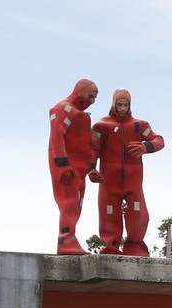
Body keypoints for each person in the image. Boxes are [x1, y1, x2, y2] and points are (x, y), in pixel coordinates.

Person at [90, 89, 164, 257]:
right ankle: (110, 247)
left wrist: (145, 147)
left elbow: (159, 140)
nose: (123, 108)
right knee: (109, 214)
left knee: (139, 215)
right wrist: (92, 168)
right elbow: (92, 148)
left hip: (133, 182)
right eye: (120, 104)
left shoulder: (139, 126)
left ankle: (135, 246)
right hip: (108, 181)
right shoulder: (102, 126)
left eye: (126, 105)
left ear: (130, 105)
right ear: (113, 104)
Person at [48, 78, 101, 255]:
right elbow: (57, 136)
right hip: (67, 167)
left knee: (76, 204)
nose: (92, 102)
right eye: (91, 96)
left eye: (95, 98)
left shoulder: (78, 113)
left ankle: (69, 238)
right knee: (69, 203)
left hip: (79, 169)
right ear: (82, 92)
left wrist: (91, 167)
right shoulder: (63, 109)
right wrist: (62, 164)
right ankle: (65, 240)